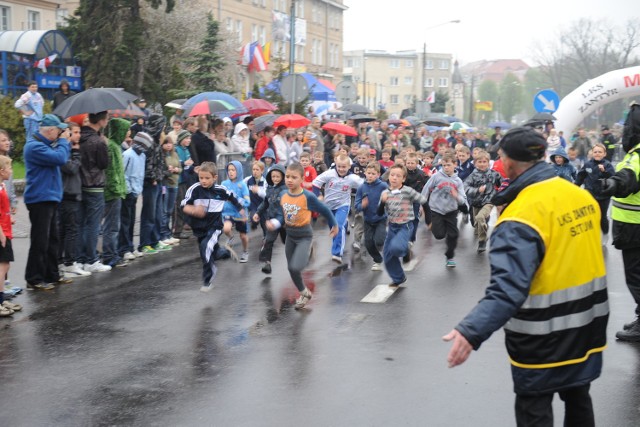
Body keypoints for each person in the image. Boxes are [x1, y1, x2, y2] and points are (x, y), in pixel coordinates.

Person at [444, 127, 608, 427]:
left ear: (507, 163)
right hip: (587, 328)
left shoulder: (519, 217)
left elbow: (507, 290)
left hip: (541, 338)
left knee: (535, 411)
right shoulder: (580, 197)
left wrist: (471, 331)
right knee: (579, 400)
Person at [269, 162, 338, 309]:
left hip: (304, 236)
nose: (289, 180)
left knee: (296, 266)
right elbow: (282, 214)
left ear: (301, 179)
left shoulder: (307, 196)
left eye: (294, 177)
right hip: (290, 236)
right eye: (287, 176)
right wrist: (275, 223)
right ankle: (304, 293)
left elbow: (325, 210)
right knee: (291, 268)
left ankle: (308, 250)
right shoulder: (283, 194)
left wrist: (334, 225)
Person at [600, 101, 640, 342]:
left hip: (635, 227)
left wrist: (610, 185)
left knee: (636, 276)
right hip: (633, 226)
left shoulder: (637, 156)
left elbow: (628, 178)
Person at [24, 114, 71, 290]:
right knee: (40, 240)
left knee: (52, 239)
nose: (60, 133)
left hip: (49, 198)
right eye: (58, 130)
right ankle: (34, 278)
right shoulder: (34, 146)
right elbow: (59, 159)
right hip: (39, 199)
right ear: (50, 130)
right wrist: (65, 142)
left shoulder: (45, 145)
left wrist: (61, 144)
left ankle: (52, 274)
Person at [181, 162, 245, 292]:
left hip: (214, 226)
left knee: (206, 248)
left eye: (207, 178)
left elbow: (233, 198)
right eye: (201, 178)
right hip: (199, 227)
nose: (203, 181)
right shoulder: (194, 189)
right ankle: (225, 253)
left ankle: (207, 281)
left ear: (215, 177)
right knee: (211, 253)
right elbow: (183, 205)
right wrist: (194, 210)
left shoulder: (221, 190)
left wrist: (242, 212)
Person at [377, 164, 429, 286]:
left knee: (396, 248)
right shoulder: (385, 193)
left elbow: (424, 201)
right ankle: (399, 278)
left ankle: (406, 250)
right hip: (392, 226)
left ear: (403, 179)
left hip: (405, 225)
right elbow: (379, 213)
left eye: (398, 176)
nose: (394, 178)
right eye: (392, 175)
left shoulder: (408, 191)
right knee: (387, 255)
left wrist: (429, 220)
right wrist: (383, 202)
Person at [312, 154, 363, 263]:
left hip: (343, 205)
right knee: (334, 229)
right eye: (339, 166)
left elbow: (365, 186)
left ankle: (337, 253)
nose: (341, 169)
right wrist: (317, 196)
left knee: (338, 227)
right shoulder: (330, 174)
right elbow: (316, 183)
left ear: (349, 166)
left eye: (344, 167)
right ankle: (344, 224)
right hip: (328, 206)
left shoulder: (353, 178)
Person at [77, 111, 112, 273]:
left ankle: (82, 258)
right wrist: (105, 144)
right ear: (101, 120)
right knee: (93, 224)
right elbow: (104, 164)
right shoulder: (98, 141)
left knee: (83, 223)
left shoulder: (79, 136)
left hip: (81, 184)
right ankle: (91, 259)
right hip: (95, 184)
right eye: (107, 119)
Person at [421, 152, 467, 267]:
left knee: (453, 235)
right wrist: (422, 205)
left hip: (451, 211)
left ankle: (449, 256)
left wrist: (456, 195)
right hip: (436, 210)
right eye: (444, 165)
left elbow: (463, 200)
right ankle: (438, 226)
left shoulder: (458, 181)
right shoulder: (436, 176)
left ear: (455, 165)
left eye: (448, 165)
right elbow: (426, 189)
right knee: (439, 235)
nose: (446, 167)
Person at [57, 122, 91, 277]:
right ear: (67, 134)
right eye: (75, 132)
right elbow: (70, 168)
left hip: (73, 192)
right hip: (67, 194)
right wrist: (77, 155)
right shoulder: (64, 150)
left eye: (79, 132)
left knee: (68, 229)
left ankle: (63, 262)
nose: (79, 135)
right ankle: (69, 263)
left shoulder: (71, 149)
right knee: (70, 229)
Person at [118, 132, 153, 261]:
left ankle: (131, 246)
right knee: (125, 221)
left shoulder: (142, 156)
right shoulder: (127, 155)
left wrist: (138, 190)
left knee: (132, 221)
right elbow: (124, 174)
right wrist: (128, 190)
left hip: (136, 191)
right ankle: (124, 248)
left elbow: (140, 174)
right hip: (128, 193)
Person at [102, 118, 129, 268]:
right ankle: (109, 255)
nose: (127, 134)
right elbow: (111, 171)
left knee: (114, 225)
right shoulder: (111, 147)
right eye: (124, 130)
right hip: (113, 192)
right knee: (111, 226)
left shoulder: (116, 146)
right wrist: (116, 189)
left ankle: (112, 253)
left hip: (117, 191)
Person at [575, 143, 615, 244]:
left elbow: (613, 178)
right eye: (595, 152)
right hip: (590, 193)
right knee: (589, 216)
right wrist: (575, 188)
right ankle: (591, 235)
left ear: (604, 154)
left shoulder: (608, 165)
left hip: (604, 195)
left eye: (600, 152)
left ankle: (605, 233)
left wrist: (604, 171)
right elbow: (581, 176)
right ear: (592, 153)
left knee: (602, 217)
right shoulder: (588, 164)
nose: (597, 153)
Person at [464, 150, 502, 253]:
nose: (482, 164)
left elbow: (501, 184)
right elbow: (465, 187)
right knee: (477, 223)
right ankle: (482, 231)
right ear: (475, 163)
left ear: (488, 162)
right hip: (476, 202)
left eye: (484, 162)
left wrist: (501, 193)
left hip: (489, 200)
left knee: (480, 217)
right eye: (479, 162)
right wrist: (477, 190)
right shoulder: (472, 175)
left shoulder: (494, 174)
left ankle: (482, 241)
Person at [355, 162, 388, 271]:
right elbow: (357, 205)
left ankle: (385, 235)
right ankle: (377, 260)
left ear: (378, 174)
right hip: (368, 220)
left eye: (373, 174)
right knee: (368, 243)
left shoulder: (383, 186)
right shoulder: (361, 188)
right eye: (368, 173)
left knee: (379, 241)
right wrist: (362, 205)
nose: (370, 175)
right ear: (365, 173)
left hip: (381, 218)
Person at [254, 164, 286, 274]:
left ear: (283, 177)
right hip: (273, 219)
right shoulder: (270, 189)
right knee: (268, 240)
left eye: (278, 177)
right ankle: (267, 263)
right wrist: (258, 212)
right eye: (273, 176)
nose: (275, 179)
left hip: (285, 221)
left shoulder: (285, 189)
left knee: (288, 241)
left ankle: (304, 250)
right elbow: (265, 203)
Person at [0, 155, 21, 316]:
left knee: (5, 264)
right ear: (1, 171)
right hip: (2, 232)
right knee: (3, 266)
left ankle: (2, 299)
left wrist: (9, 217)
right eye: (9, 168)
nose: (11, 171)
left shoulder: (2, 186)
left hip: (7, 229)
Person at [221, 161, 251, 263]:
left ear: (238, 171)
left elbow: (247, 202)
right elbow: (220, 196)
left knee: (243, 236)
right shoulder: (224, 184)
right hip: (228, 213)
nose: (230, 172)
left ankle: (245, 251)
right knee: (226, 229)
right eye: (229, 170)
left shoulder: (242, 185)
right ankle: (231, 237)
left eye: (233, 170)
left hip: (240, 214)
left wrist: (234, 197)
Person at [173, 130, 196, 240]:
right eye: (186, 138)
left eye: (189, 138)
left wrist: (194, 168)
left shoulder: (186, 150)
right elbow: (176, 164)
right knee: (178, 206)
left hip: (185, 181)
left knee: (183, 205)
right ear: (181, 139)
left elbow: (189, 165)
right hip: (178, 181)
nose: (188, 140)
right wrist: (184, 163)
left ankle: (179, 229)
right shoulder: (176, 150)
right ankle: (176, 231)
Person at [160, 137, 181, 246]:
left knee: (170, 210)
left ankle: (168, 234)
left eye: (170, 143)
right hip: (166, 184)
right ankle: (163, 234)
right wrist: (169, 170)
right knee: (164, 210)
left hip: (175, 184)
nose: (169, 145)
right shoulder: (162, 155)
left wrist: (177, 170)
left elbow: (180, 168)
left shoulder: (175, 154)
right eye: (166, 143)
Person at [245, 160, 267, 233]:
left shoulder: (265, 181)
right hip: (253, 206)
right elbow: (241, 186)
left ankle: (265, 237)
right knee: (254, 219)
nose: (255, 171)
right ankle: (254, 224)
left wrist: (258, 191)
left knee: (264, 225)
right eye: (253, 169)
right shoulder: (248, 180)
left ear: (262, 171)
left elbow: (267, 195)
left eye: (257, 170)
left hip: (263, 206)